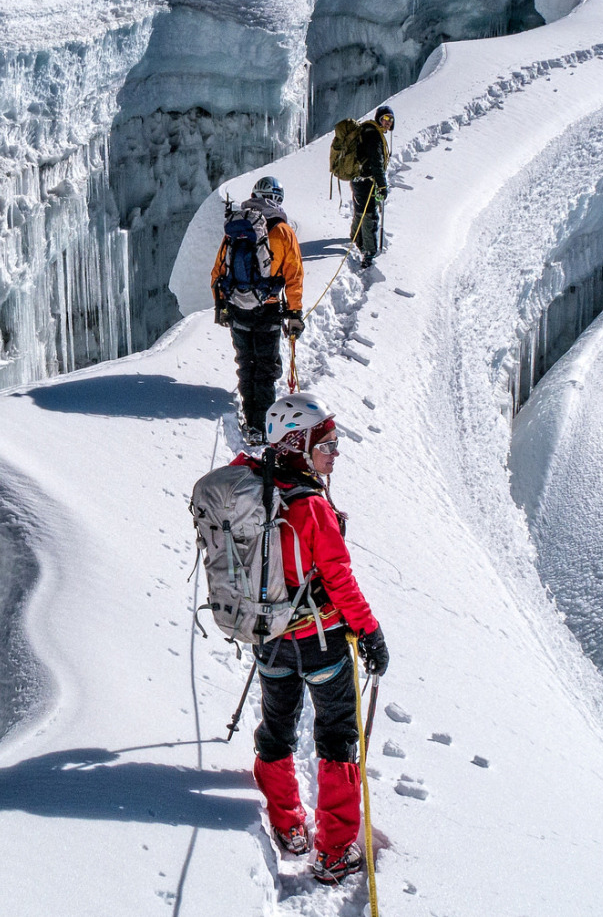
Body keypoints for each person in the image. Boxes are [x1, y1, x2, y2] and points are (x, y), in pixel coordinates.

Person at [236, 394, 391, 884]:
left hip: (270, 639)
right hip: (319, 639)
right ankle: (333, 851)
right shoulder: (310, 506)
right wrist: (369, 632)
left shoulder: (252, 487)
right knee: (338, 736)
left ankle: (288, 827)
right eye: (326, 443)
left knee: (277, 727)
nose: (334, 453)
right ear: (298, 444)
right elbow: (340, 579)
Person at [211, 177, 305, 444]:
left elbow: (218, 270)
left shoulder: (236, 228)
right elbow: (294, 275)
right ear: (276, 199)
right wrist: (295, 313)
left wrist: (221, 306)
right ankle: (262, 426)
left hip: (237, 308)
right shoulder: (283, 230)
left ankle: (251, 418)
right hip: (269, 309)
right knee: (265, 368)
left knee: (246, 364)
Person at [350, 105, 394, 267]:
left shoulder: (368, 131)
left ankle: (355, 238)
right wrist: (382, 185)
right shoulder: (373, 135)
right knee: (369, 215)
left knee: (361, 210)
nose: (388, 122)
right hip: (366, 180)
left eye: (391, 119)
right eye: (386, 118)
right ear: (379, 119)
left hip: (358, 179)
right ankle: (369, 251)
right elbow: (376, 162)